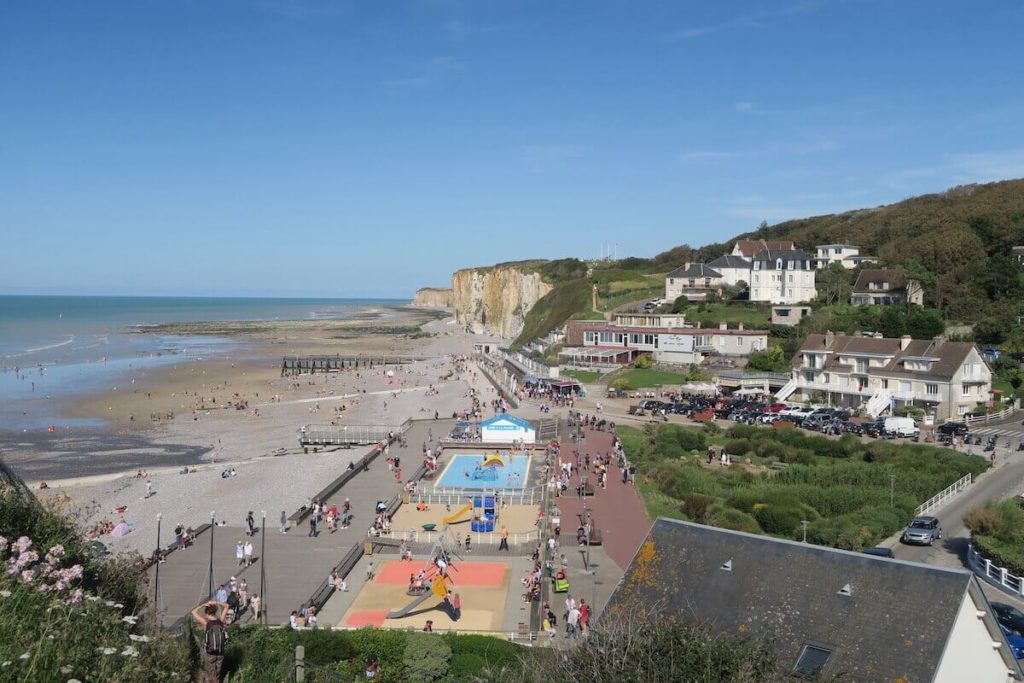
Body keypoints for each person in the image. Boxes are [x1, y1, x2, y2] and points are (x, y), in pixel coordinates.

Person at [191, 600, 229, 683]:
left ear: (207, 613)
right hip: (220, 651)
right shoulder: (220, 621)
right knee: (217, 674)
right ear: (215, 612)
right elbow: (226, 606)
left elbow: (193, 612)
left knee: (212, 675)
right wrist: (216, 602)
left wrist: (202, 605)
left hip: (210, 652)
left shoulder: (206, 623)